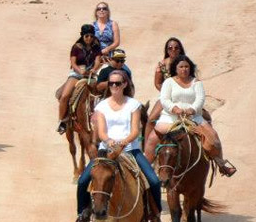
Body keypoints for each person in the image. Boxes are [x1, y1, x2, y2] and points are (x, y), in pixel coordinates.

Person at [76, 70, 161, 221]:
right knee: (83, 181)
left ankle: (155, 213)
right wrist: (109, 141)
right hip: (106, 150)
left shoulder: (133, 104)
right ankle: (82, 213)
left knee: (153, 180)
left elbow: (135, 130)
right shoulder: (102, 106)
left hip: (130, 150)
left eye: (118, 83)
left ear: (125, 84)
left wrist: (123, 142)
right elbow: (101, 132)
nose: (114, 86)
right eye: (111, 83)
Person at [146, 55, 237, 176]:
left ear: (190, 68)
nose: (184, 69)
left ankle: (221, 165)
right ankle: (146, 169)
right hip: (170, 118)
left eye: (186, 66)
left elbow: (200, 99)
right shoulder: (169, 82)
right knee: (152, 140)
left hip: (193, 118)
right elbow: (164, 99)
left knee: (213, 137)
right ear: (176, 68)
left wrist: (192, 109)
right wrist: (175, 108)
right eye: (181, 67)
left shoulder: (196, 82)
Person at [143, 37, 184, 161]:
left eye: (176, 48)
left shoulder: (185, 63)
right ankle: (147, 151)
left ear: (180, 49)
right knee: (151, 119)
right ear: (167, 50)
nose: (173, 50)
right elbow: (157, 83)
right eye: (170, 48)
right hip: (166, 97)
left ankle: (213, 155)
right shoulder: (162, 64)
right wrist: (166, 92)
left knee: (202, 119)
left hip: (184, 96)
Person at [57, 24, 103, 134]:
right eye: (87, 36)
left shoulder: (96, 46)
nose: (89, 38)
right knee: (65, 96)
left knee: (100, 92)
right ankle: (62, 121)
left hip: (90, 74)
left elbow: (97, 60)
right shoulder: (76, 47)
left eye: (91, 36)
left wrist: (94, 69)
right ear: (82, 36)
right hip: (76, 74)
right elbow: (73, 62)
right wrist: (79, 71)